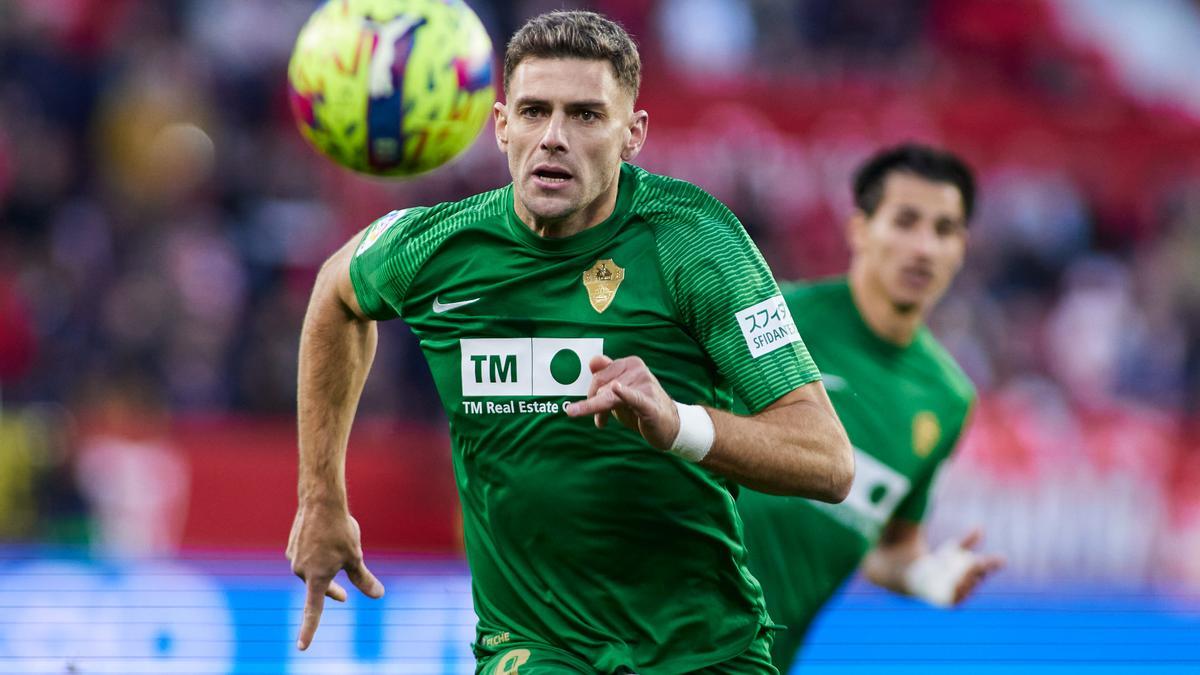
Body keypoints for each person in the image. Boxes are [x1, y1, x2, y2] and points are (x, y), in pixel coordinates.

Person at [286, 11, 854, 675]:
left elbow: (828, 460)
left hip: (703, 647)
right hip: (533, 647)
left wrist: (679, 425)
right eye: (533, 112)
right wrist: (321, 497)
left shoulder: (695, 243)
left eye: (585, 115)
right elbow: (335, 293)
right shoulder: (440, 247)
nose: (553, 138)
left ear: (632, 134)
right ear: (501, 125)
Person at [738, 143, 1005, 673]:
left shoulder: (947, 399)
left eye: (943, 229)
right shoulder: (773, 319)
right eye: (905, 221)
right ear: (859, 229)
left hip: (760, 662)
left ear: (962, 248)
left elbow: (891, 546)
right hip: (652, 636)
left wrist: (926, 576)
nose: (924, 247)